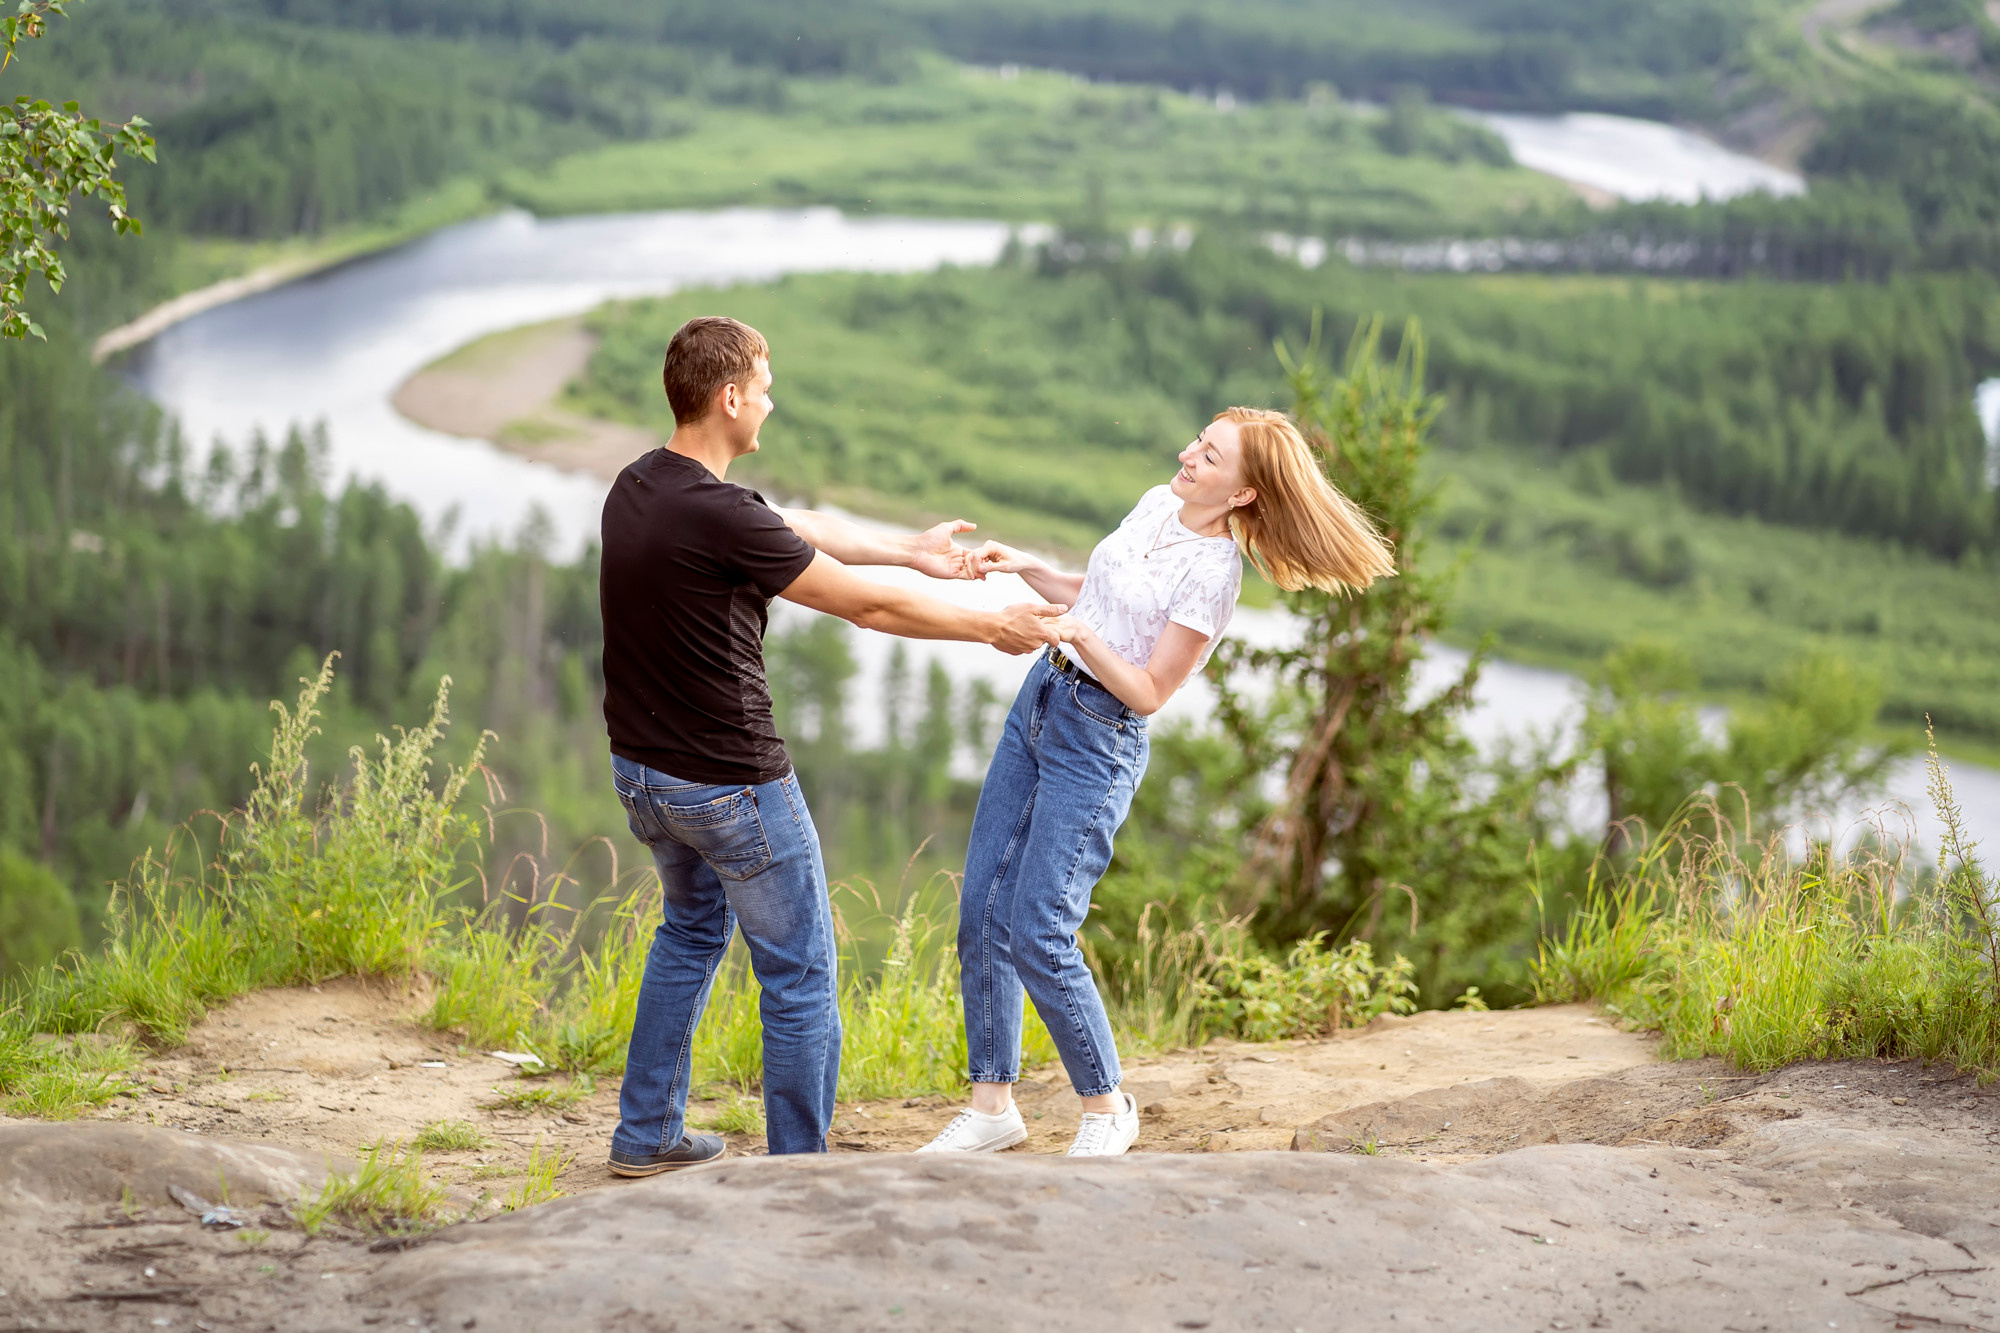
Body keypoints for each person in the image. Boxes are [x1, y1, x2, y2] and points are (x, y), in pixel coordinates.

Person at [601, 316, 1068, 1174]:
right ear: (729, 397)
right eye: (765, 388)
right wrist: (991, 624)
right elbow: (865, 607)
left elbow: (789, 524)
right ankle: (800, 1172)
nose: (771, 404)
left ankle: (646, 1134)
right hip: (732, 785)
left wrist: (911, 551)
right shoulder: (718, 513)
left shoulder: (642, 485)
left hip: (645, 776)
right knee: (802, 976)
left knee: (690, 933)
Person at [920, 407, 1397, 1157]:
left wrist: (1081, 635)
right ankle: (992, 1108)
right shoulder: (1155, 503)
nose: (1187, 455)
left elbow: (1147, 690)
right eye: (1198, 442)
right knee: (983, 905)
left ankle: (1108, 1107)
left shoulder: (1213, 575)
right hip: (1042, 698)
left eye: (1208, 456)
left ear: (1241, 494)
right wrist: (1028, 568)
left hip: (1098, 737)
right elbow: (1098, 592)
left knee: (1040, 927)